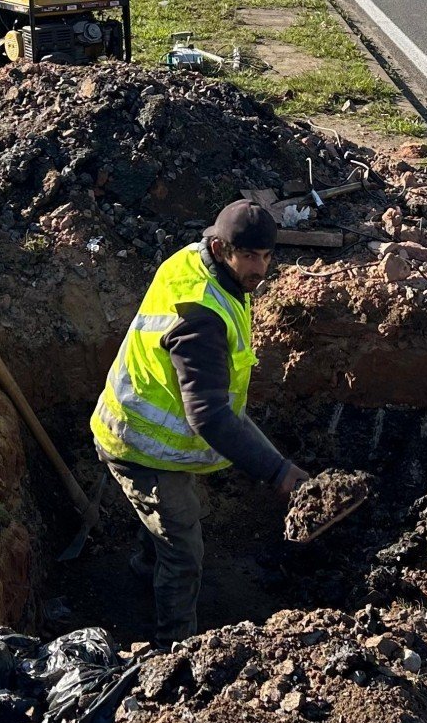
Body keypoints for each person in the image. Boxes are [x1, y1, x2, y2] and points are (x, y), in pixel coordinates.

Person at [90, 201, 311, 640]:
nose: (260, 269)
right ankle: (176, 645)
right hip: (140, 443)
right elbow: (209, 416)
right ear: (220, 246)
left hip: (148, 425)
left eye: (267, 256)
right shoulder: (202, 318)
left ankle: (143, 568)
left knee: (171, 515)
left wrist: (278, 465)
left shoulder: (195, 261)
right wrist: (278, 472)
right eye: (249, 256)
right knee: (183, 549)